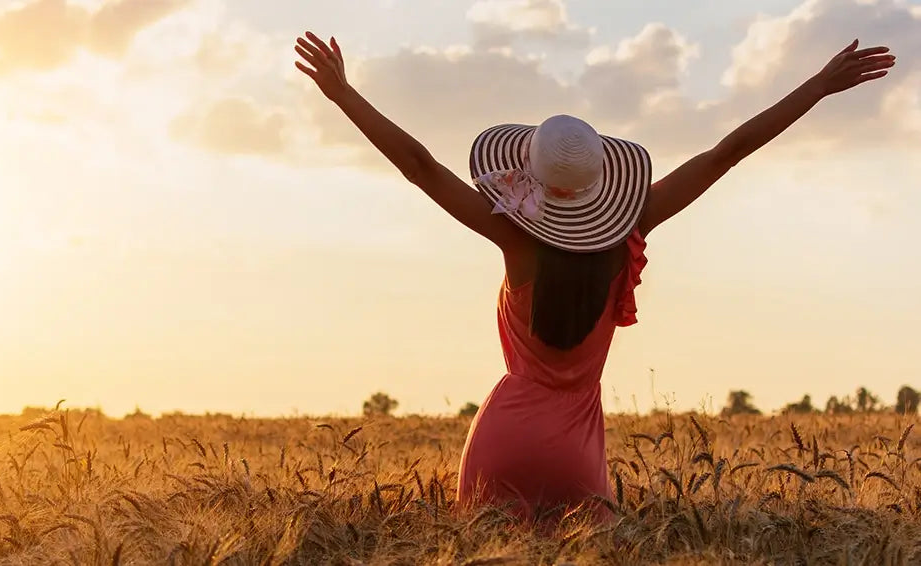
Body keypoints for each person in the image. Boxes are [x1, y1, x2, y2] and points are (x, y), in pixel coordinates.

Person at [293, 31, 895, 523]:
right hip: (578, 454)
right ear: (601, 184)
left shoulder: (515, 242)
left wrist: (343, 94)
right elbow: (723, 153)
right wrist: (817, 87)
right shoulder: (632, 228)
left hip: (500, 441)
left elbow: (421, 167)